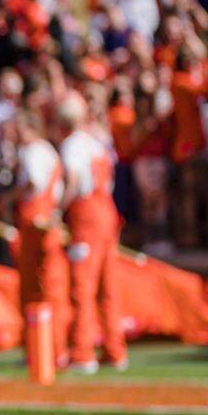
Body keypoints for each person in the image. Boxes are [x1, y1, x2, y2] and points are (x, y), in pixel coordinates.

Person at [57, 95, 127, 374]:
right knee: (108, 288)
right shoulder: (96, 141)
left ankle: (83, 353)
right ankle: (115, 350)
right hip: (107, 214)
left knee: (83, 288)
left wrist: (58, 209)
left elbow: (74, 180)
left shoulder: (72, 144)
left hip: (87, 217)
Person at [6, 110, 69, 368]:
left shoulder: (32, 151)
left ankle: (41, 349)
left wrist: (7, 199)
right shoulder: (50, 151)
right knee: (52, 287)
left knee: (35, 289)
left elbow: (32, 183)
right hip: (48, 222)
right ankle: (54, 349)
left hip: (35, 223)